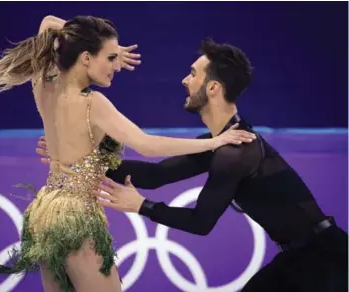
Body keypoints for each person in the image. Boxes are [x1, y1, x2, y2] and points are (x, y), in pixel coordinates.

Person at [37, 38, 348, 292]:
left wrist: (142, 206)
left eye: (193, 74)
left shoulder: (236, 150)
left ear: (212, 88)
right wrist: (77, 159)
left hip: (325, 260)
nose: (185, 80)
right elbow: (155, 174)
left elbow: (201, 222)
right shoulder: (220, 142)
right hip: (304, 257)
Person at [0, 15, 256, 292]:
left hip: (45, 212)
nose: (116, 66)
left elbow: (48, 22)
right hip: (76, 216)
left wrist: (98, 45)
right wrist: (214, 142)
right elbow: (147, 145)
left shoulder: (43, 83)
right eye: (110, 58)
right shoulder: (93, 103)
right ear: (86, 58)